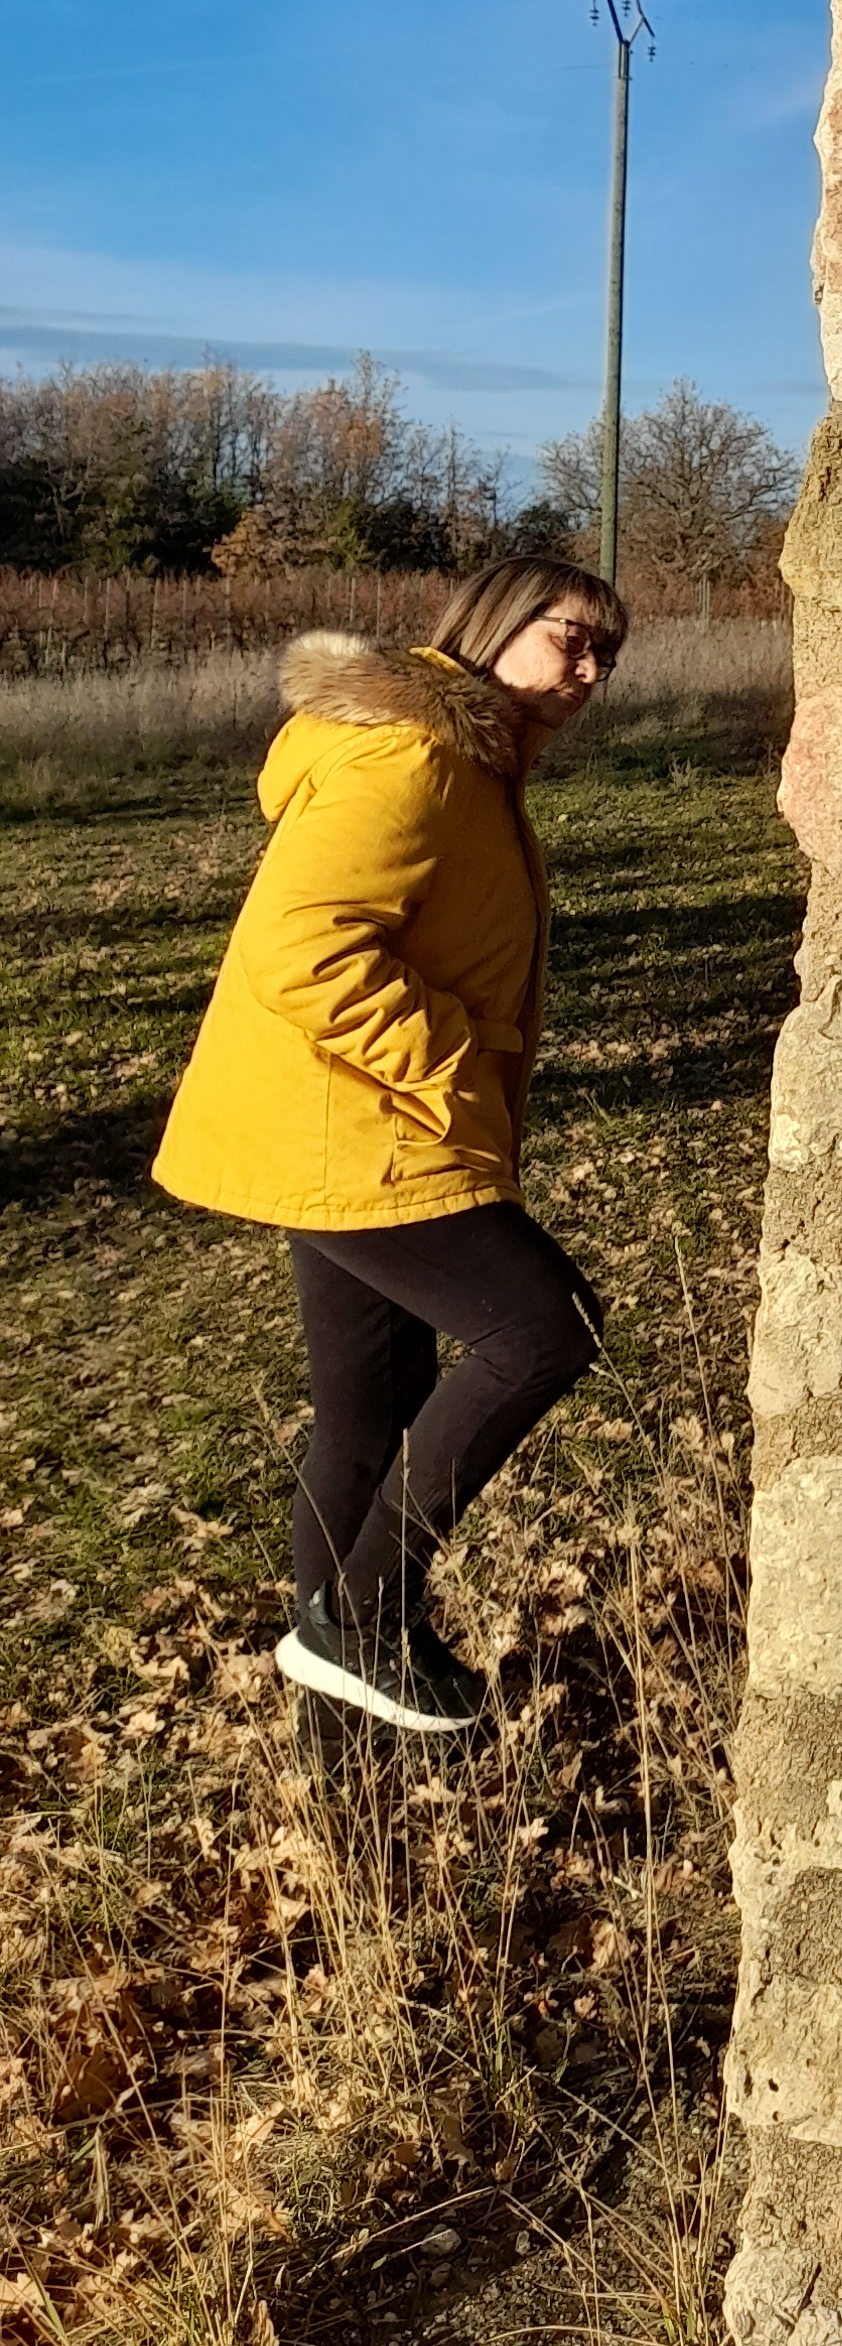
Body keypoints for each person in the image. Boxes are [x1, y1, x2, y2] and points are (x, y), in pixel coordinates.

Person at [150, 557, 628, 1737]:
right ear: (497, 623)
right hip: (354, 1126)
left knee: (369, 1406)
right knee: (544, 1328)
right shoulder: (414, 754)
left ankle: (340, 1738)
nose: (592, 670)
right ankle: (360, 1619)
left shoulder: (473, 764)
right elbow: (307, 949)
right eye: (573, 638)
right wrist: (450, 1062)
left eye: (607, 652)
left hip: (340, 1125)